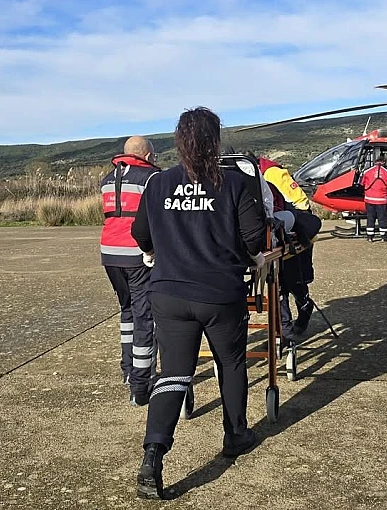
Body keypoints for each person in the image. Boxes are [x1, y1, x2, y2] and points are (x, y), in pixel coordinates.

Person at [131, 107, 267, 500]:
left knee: (173, 373)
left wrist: (163, 248)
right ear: (216, 140)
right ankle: (235, 434)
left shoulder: (158, 184)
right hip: (220, 293)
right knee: (231, 362)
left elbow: (141, 233)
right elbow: (254, 239)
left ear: (178, 140)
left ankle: (153, 456)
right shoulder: (237, 182)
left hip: (169, 292)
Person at [100, 135, 160, 406]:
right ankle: (141, 381)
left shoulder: (107, 179)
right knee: (144, 316)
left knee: (127, 312)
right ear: (147, 156)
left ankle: (127, 369)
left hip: (109, 254)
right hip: (137, 254)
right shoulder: (150, 178)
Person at [252, 153, 318, 339]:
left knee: (295, 281)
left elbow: (300, 202)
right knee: (277, 286)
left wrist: (290, 224)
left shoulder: (272, 173)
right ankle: (283, 333)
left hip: (295, 232)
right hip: (272, 236)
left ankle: (304, 306)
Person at [359, 153, 387, 242]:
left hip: (369, 199)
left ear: (375, 162)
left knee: (370, 218)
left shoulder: (367, 171)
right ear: (384, 162)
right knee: (382, 218)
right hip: (382, 200)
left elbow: (362, 183)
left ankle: (370, 237)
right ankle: (384, 237)